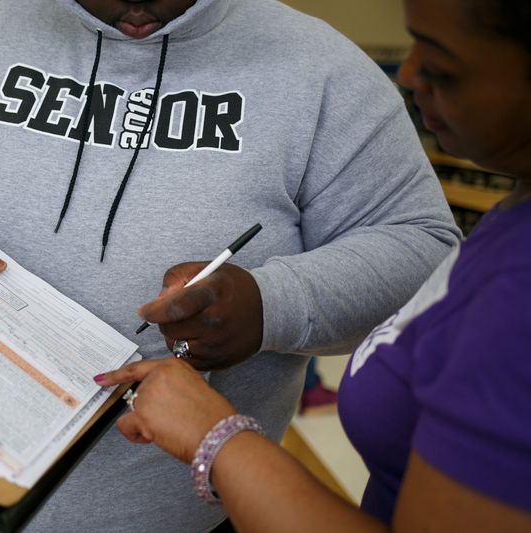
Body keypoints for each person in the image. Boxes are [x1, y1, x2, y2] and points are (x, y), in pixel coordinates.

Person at [0, 0, 460, 531]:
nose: (136, 10)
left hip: (174, 514)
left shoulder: (320, 68)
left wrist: (271, 306)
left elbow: (425, 247)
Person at [95, 0, 531, 530]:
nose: (410, 75)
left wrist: (218, 439)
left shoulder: (516, 290)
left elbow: (420, 245)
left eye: (442, 62)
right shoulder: (512, 224)